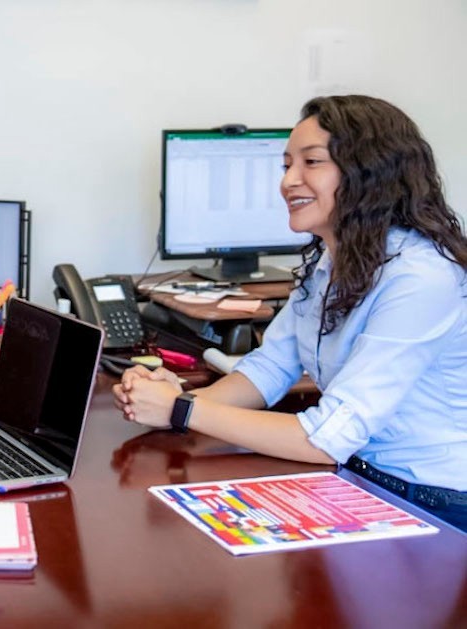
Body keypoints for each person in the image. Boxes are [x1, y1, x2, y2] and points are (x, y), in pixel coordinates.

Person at [113, 95, 467, 532]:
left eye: (311, 162)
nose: (288, 182)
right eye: (286, 166)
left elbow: (326, 440)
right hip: (361, 481)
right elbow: (269, 369)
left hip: (433, 502)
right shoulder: (331, 263)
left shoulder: (422, 278)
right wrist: (172, 403)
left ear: (370, 173)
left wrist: (183, 410)